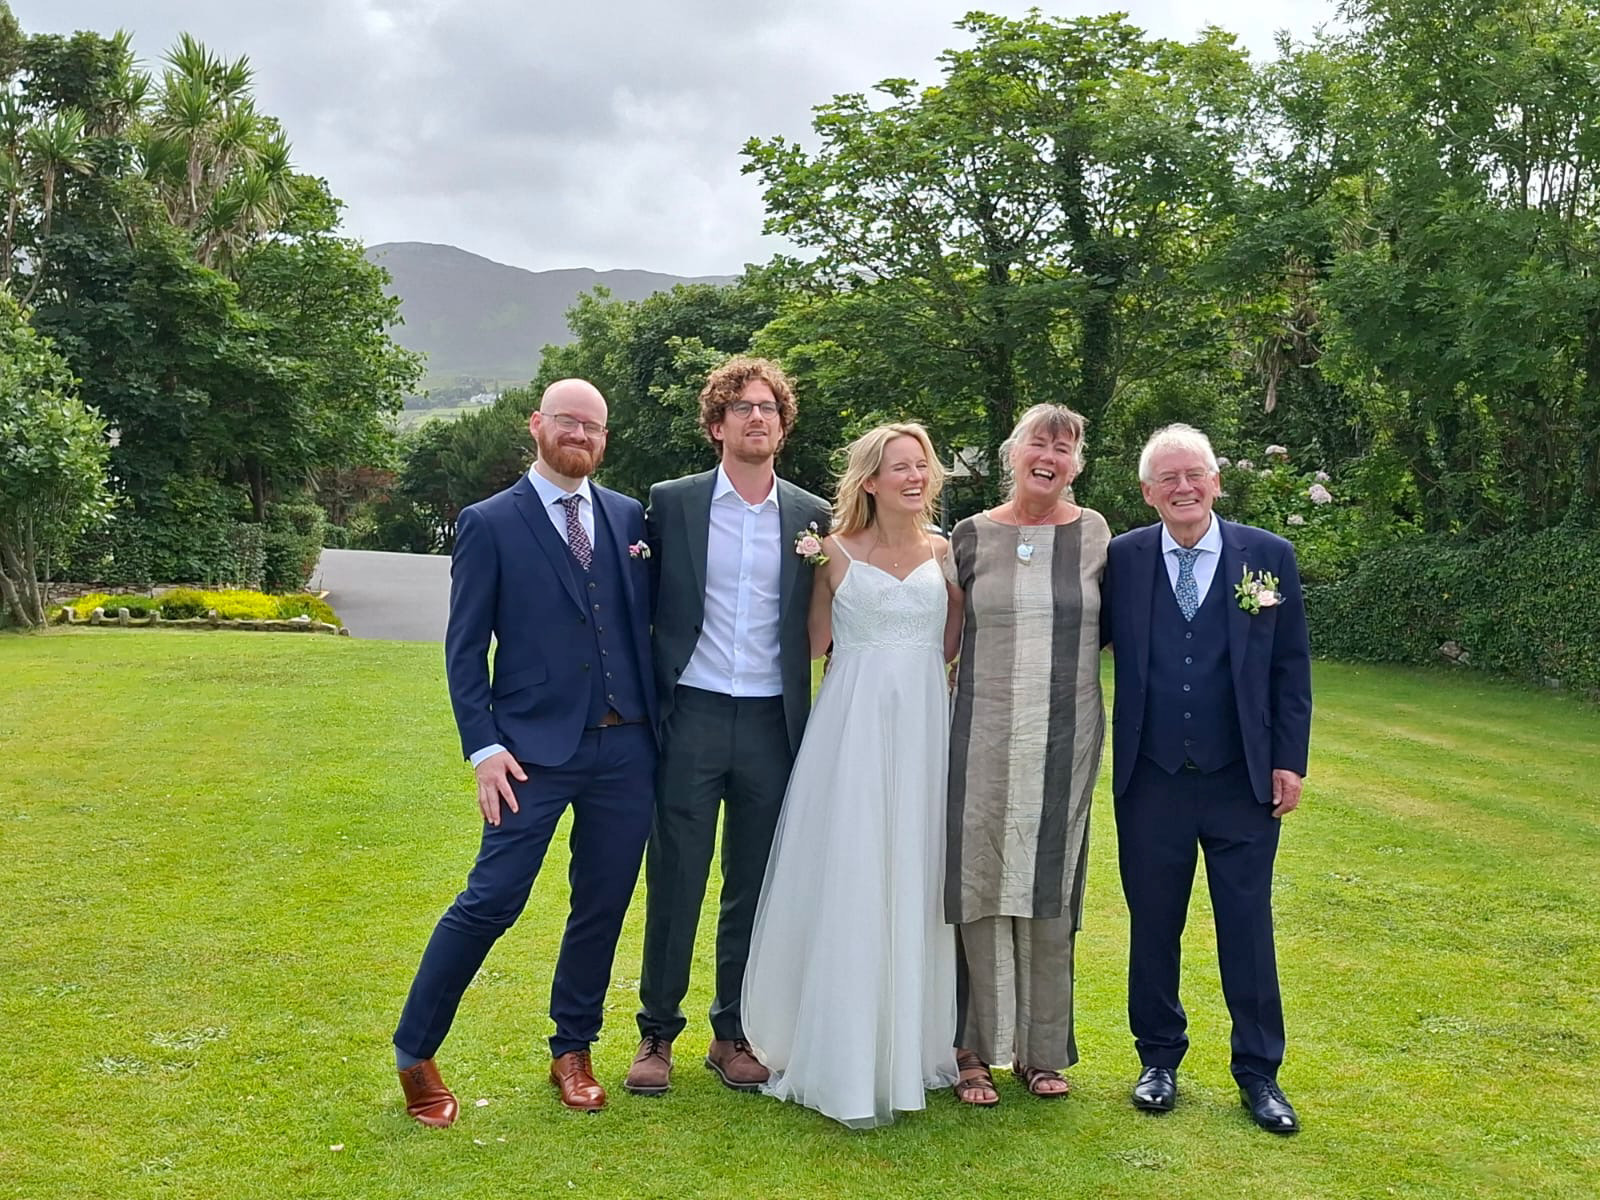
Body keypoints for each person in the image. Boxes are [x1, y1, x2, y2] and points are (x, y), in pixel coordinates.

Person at [392, 379, 657, 1121]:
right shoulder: (489, 522)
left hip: (627, 747)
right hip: (529, 754)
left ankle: (573, 1050)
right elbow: (464, 647)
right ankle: (415, 1054)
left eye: (594, 426)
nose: (581, 435)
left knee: (602, 905)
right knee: (491, 899)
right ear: (538, 424)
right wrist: (483, 748)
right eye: (568, 421)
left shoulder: (628, 517)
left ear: (605, 439)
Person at [741, 422, 961, 1129]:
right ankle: (842, 1043)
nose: (914, 477)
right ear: (870, 481)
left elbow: (953, 643)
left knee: (914, 870)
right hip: (852, 730)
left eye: (921, 465)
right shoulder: (831, 553)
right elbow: (812, 643)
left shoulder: (947, 554)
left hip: (923, 726)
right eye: (900, 467)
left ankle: (908, 1044)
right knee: (854, 867)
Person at [626, 358, 832, 1096]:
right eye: (742, 407)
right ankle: (657, 1031)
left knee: (753, 881)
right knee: (676, 876)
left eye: (768, 407)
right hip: (693, 713)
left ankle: (732, 1031)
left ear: (783, 423)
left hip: (774, 721)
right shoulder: (671, 503)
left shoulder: (811, 514)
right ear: (717, 425)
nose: (757, 417)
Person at [1101, 422, 1312, 1134]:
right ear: (1148, 492)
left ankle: (1259, 1073)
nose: (1183, 487)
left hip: (1240, 779)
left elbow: (1291, 669)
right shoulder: (1124, 559)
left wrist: (1289, 760)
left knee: (1247, 928)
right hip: (1151, 778)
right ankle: (1158, 1061)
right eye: (1168, 478)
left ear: (1216, 482)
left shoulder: (1268, 556)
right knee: (1153, 925)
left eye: (1195, 475)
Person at [943, 404, 1110, 1106]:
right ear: (1014, 453)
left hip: (1064, 736)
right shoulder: (969, 535)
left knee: (1049, 884)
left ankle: (1041, 1053)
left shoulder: (1096, 534)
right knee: (976, 882)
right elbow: (944, 636)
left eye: (1064, 448)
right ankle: (972, 1049)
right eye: (1039, 442)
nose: (1050, 456)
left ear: (1076, 465)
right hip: (979, 733)